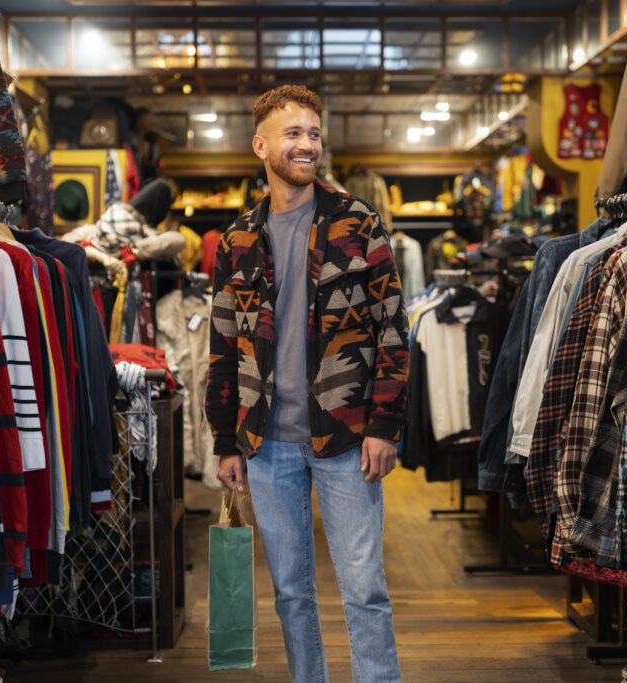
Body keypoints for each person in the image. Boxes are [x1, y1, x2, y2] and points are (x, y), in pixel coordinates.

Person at [205, 84, 409, 683]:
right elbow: (223, 348)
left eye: (314, 133)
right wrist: (225, 440)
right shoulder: (238, 239)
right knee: (291, 592)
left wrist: (386, 425)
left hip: (346, 436)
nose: (307, 145)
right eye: (293, 134)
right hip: (267, 443)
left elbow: (393, 329)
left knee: (364, 588)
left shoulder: (357, 223)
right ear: (260, 144)